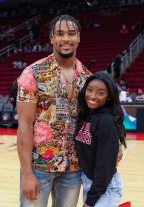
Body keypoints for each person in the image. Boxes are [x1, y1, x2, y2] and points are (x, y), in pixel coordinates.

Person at [16, 14, 92, 207]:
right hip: (39, 166)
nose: (65, 39)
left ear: (79, 37)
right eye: (59, 34)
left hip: (73, 168)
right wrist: (26, 173)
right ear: (51, 38)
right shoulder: (33, 73)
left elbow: (92, 124)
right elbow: (25, 125)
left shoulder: (88, 79)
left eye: (71, 33)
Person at [74, 71, 126, 207]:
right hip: (91, 183)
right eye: (89, 90)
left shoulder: (106, 121)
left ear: (109, 97)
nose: (92, 96)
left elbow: (105, 166)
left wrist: (90, 201)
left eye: (100, 92)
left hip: (104, 188)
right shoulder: (87, 114)